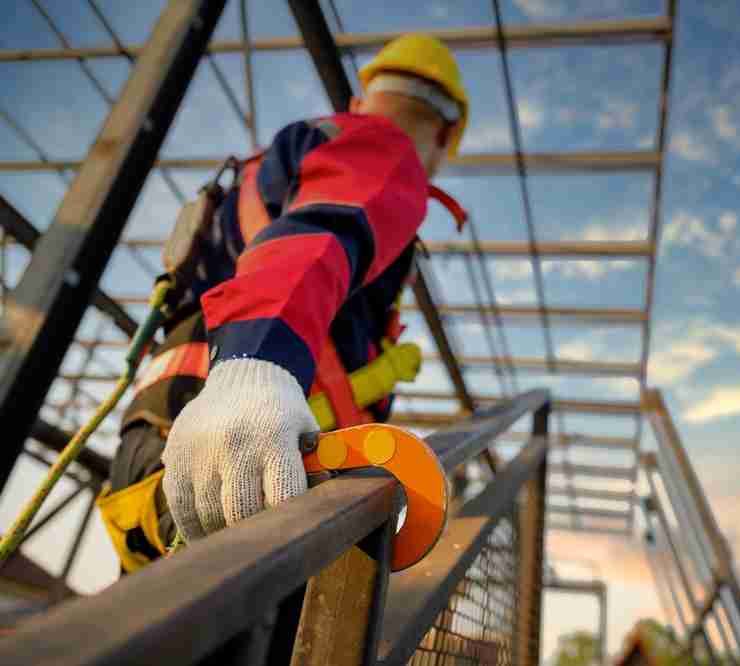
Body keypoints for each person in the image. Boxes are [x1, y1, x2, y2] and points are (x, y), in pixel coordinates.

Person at [96, 34, 468, 572]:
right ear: (446, 133)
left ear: (362, 100)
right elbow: (314, 239)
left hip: (171, 439)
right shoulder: (386, 154)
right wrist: (256, 364)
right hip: (243, 447)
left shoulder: (285, 158)